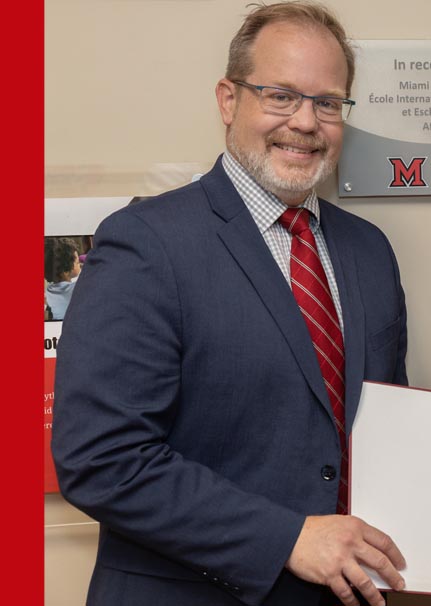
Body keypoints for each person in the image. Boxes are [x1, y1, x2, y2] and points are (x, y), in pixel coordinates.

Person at [50, 3, 410, 606]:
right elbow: (100, 458)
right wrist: (287, 537)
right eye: (280, 95)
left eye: (328, 102)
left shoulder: (369, 252)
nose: (306, 121)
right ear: (228, 99)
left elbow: (360, 425)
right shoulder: (146, 242)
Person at [44, 237, 83, 320]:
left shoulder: (48, 291)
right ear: (65, 271)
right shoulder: (78, 288)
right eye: (77, 262)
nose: (80, 264)